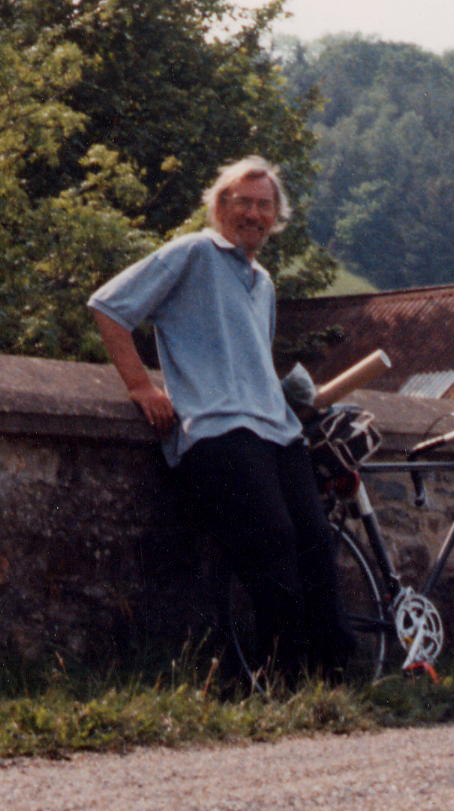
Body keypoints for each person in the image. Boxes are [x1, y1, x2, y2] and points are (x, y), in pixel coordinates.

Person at [88, 155, 353, 682]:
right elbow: (108, 306)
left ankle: (335, 677)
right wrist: (141, 385)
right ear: (220, 206)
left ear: (276, 215)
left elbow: (247, 357)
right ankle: (285, 680)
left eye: (263, 205)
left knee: (315, 542)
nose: (252, 214)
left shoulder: (264, 282)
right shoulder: (193, 252)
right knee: (272, 540)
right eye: (242, 202)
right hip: (217, 430)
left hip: (277, 429)